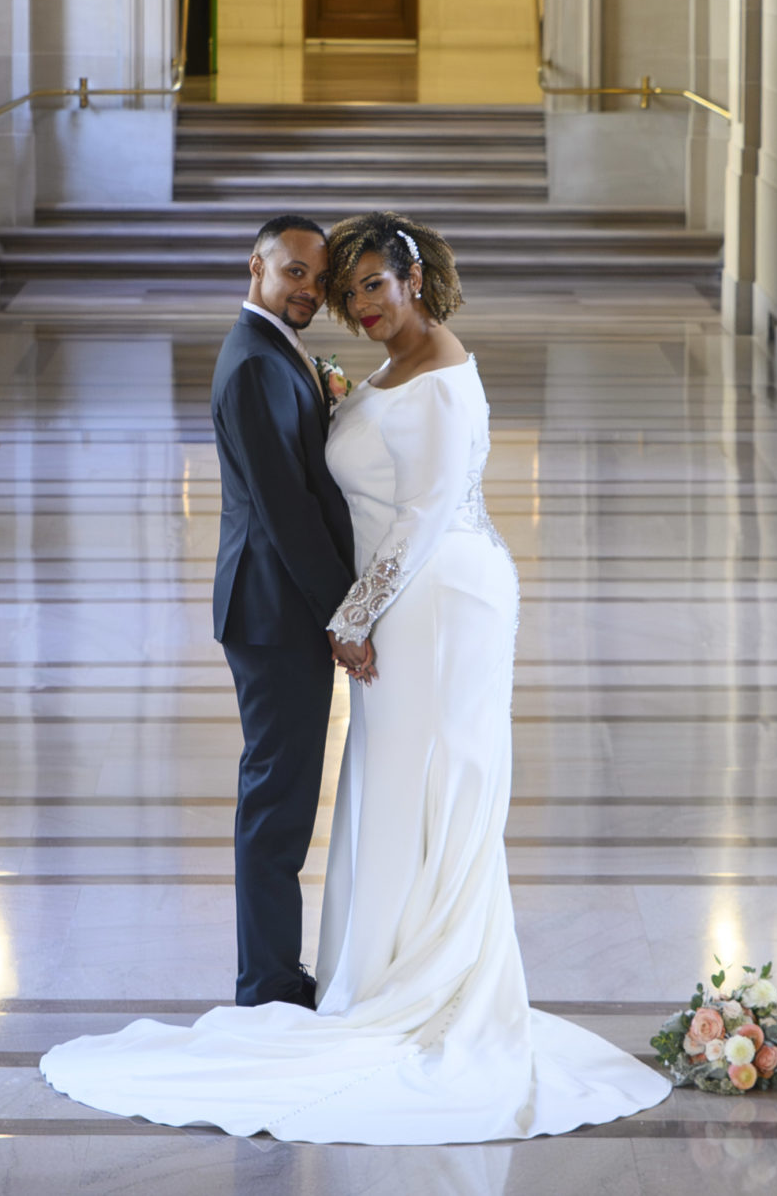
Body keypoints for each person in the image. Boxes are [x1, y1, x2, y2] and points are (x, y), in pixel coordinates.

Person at [42, 212, 671, 1144]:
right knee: (363, 787)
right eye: (342, 287)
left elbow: (417, 516)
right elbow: (308, 494)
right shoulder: (298, 361)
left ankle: (414, 973)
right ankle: (330, 977)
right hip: (368, 604)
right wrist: (355, 605)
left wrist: (352, 614)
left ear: (416, 278)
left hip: (437, 601)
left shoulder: (429, 372)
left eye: (369, 283)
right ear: (258, 270)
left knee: (424, 785)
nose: (354, 301)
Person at [207, 215, 356, 1009]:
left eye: (316, 278)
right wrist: (346, 615)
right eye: (294, 271)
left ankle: (271, 971)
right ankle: (266, 984)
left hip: (274, 608)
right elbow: (286, 511)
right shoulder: (256, 366)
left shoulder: (272, 350)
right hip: (273, 614)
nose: (307, 289)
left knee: (283, 799)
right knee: (276, 804)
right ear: (257, 264)